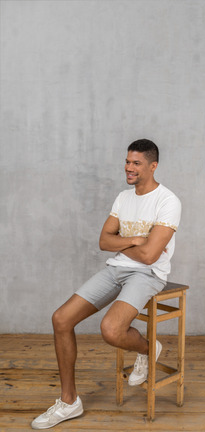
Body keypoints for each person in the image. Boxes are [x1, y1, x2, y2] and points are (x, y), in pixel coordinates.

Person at [31, 139, 181, 429]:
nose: (129, 168)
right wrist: (136, 240)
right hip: (116, 270)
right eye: (127, 161)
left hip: (147, 275)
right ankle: (69, 401)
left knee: (111, 330)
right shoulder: (123, 198)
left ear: (153, 166)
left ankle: (148, 349)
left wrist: (122, 244)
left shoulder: (168, 201)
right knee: (61, 319)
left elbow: (150, 257)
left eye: (136, 163)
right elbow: (103, 241)